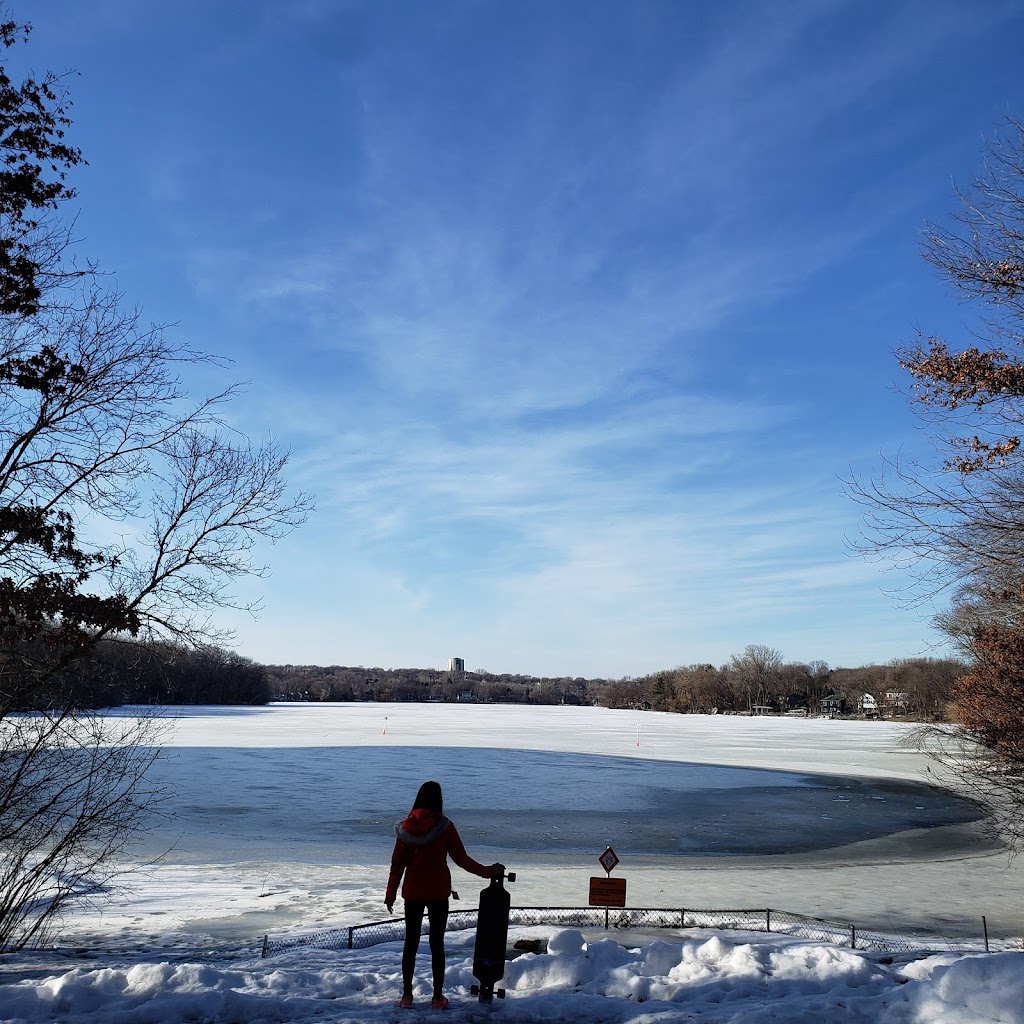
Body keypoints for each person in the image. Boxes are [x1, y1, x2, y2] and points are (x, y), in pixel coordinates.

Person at [385, 780, 504, 1010]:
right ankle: (437, 997)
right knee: (436, 945)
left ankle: (407, 996)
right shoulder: (444, 827)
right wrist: (488, 872)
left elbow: (396, 865)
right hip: (438, 892)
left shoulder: (405, 829)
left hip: (413, 893)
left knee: (410, 944)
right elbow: (462, 860)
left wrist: (390, 894)